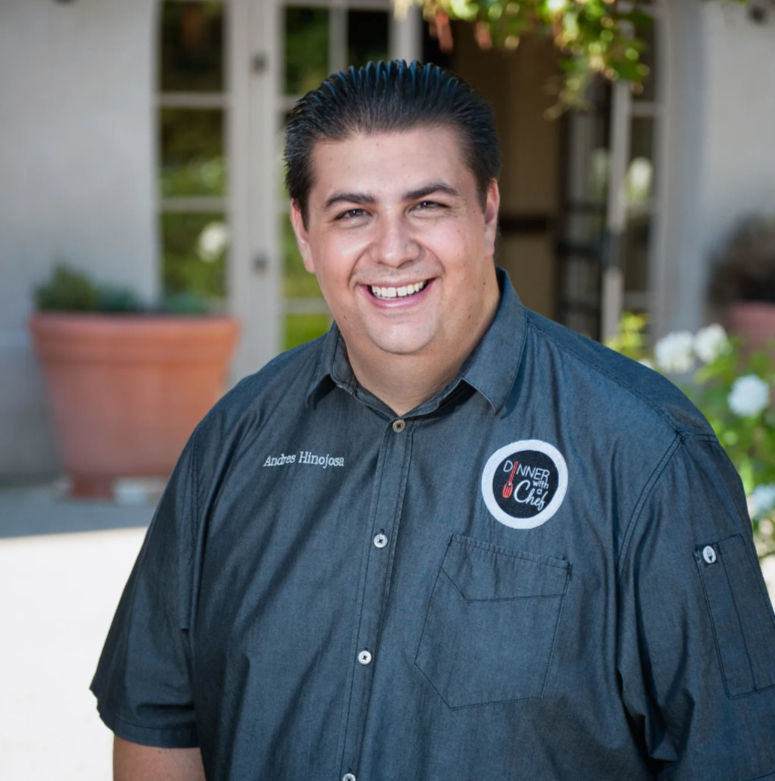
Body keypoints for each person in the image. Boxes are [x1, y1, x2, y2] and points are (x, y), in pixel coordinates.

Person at [92, 60, 775, 780]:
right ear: (302, 233)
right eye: (352, 213)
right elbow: (159, 718)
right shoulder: (233, 441)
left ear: (487, 212)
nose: (392, 248)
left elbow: (733, 752)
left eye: (426, 205)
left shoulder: (644, 450)